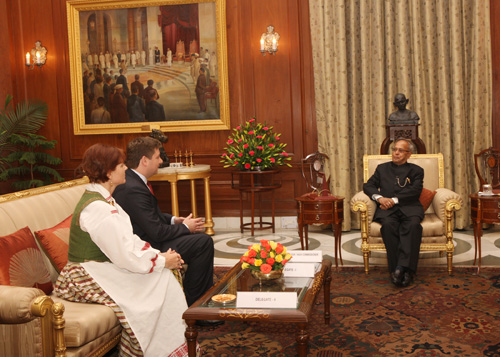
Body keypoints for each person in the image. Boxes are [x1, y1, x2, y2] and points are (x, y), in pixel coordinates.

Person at [54, 143, 193, 356]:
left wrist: (159, 256)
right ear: (109, 173)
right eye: (121, 165)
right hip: (87, 274)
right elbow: (125, 254)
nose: (126, 168)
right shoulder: (97, 208)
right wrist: (163, 261)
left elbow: (129, 241)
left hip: (105, 266)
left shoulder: (106, 201)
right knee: (163, 278)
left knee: (165, 275)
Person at [113, 137, 217, 311]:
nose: (161, 161)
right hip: (147, 245)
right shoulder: (133, 188)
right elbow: (156, 233)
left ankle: (197, 297)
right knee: (202, 243)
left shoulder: (134, 180)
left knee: (199, 239)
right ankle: (195, 307)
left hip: (149, 237)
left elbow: (150, 215)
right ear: (144, 161)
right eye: (157, 157)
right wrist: (185, 227)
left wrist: (175, 220)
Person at [363, 138, 424, 287]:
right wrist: (379, 198)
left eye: (400, 150)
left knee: (413, 226)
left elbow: (415, 191)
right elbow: (368, 185)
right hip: (387, 211)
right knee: (388, 227)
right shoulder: (382, 168)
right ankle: (399, 269)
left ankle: (402, 268)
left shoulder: (417, 171)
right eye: (394, 149)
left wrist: (392, 200)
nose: (396, 153)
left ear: (409, 154)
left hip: (410, 208)